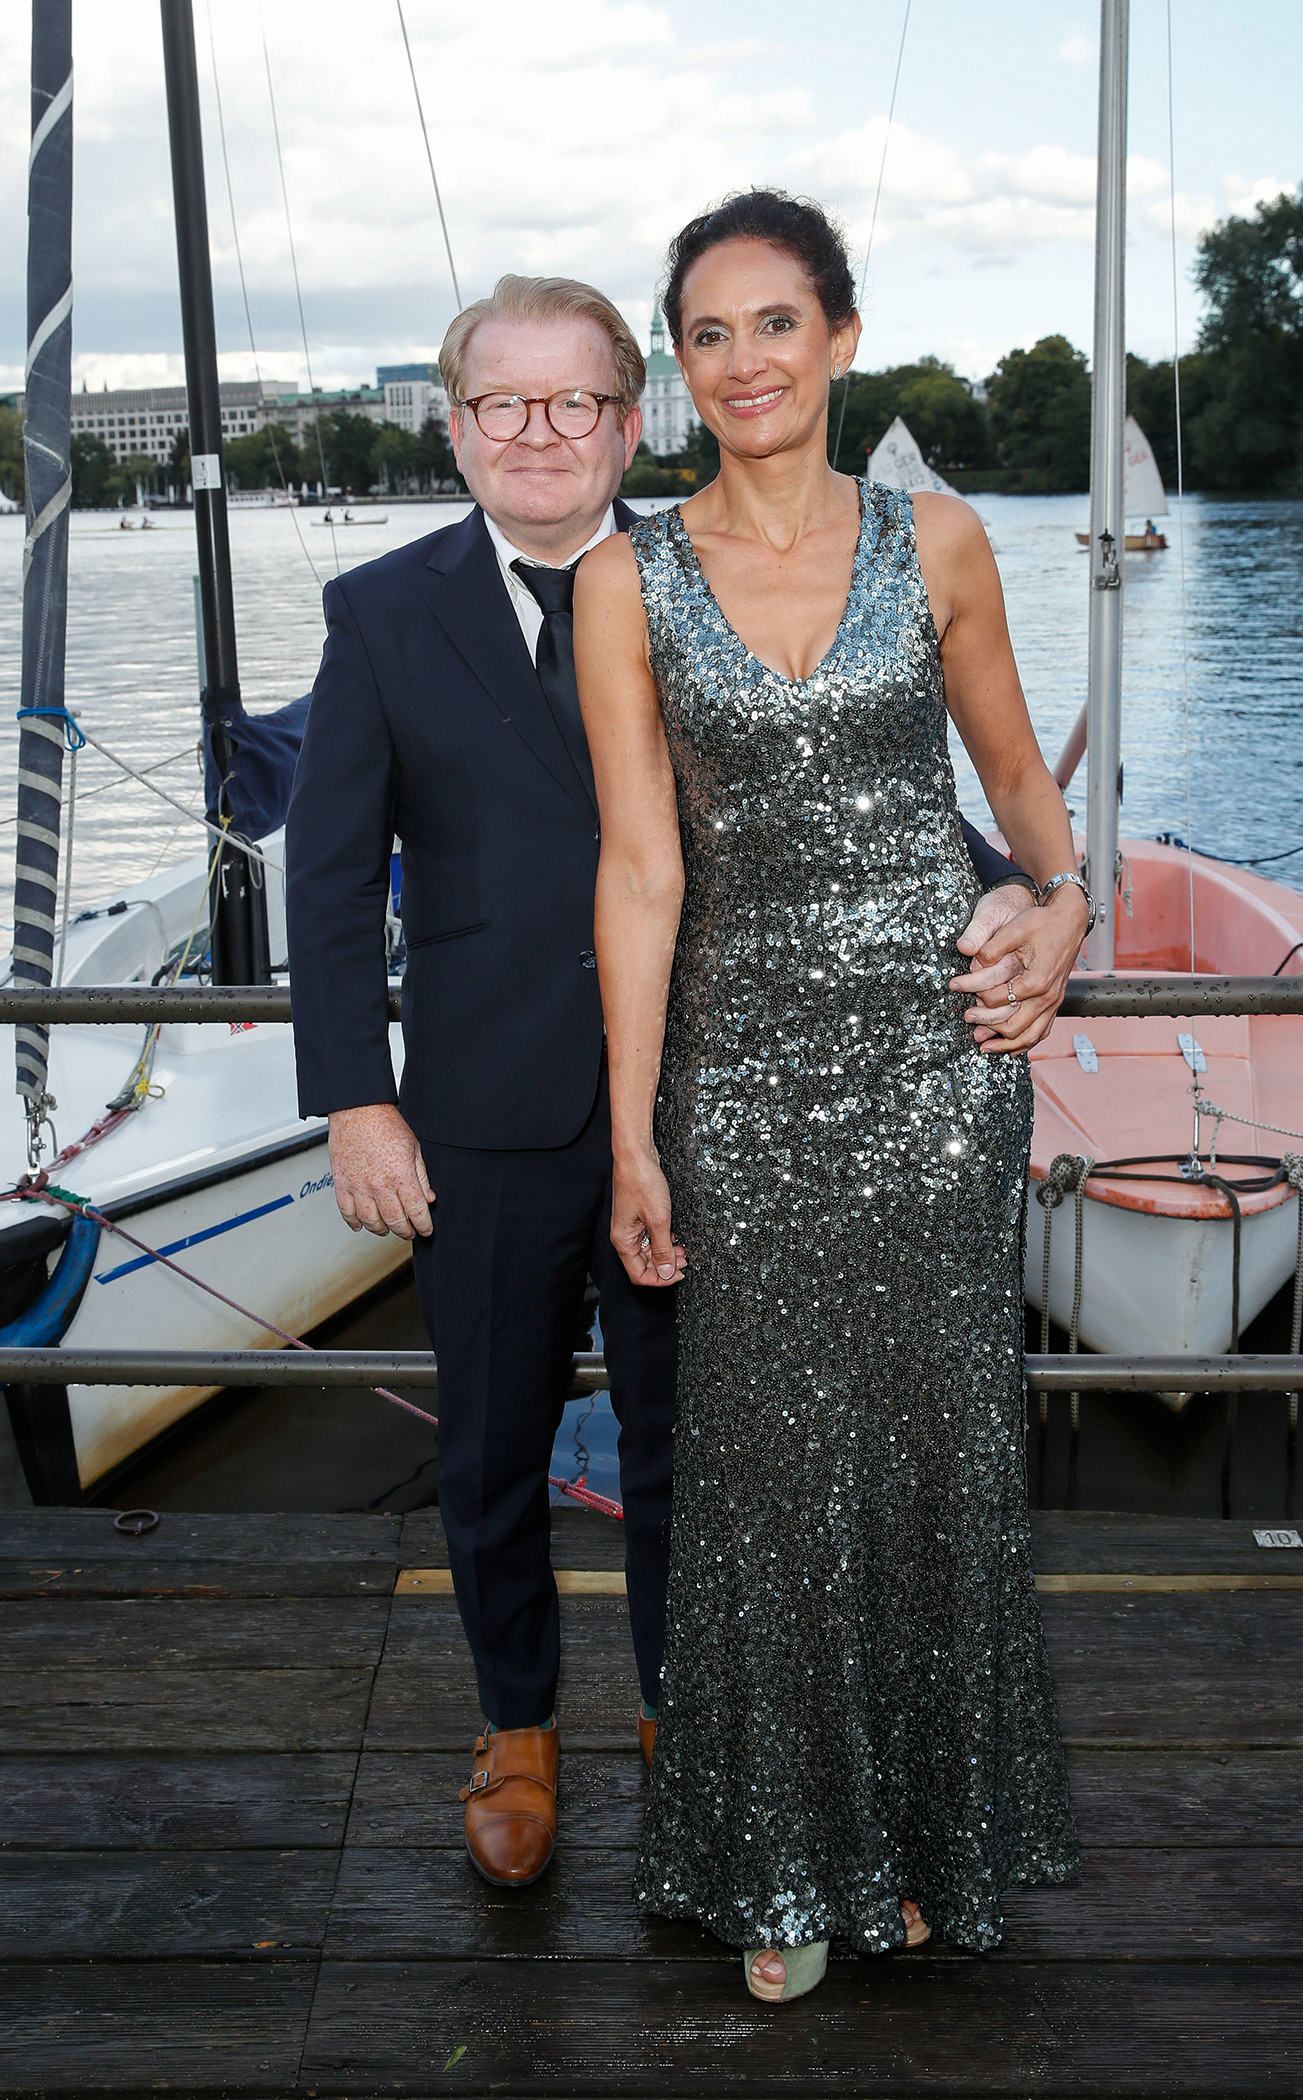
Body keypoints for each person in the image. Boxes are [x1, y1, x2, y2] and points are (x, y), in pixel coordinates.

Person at [286, 271, 1049, 1901]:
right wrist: (356, 1097)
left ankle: (689, 1718)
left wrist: (1020, 893)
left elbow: (843, 791)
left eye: (575, 401)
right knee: (490, 1446)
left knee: (694, 1450)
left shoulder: (696, 574)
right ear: (456, 428)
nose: (539, 432)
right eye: (504, 403)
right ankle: (517, 1728)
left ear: (631, 424)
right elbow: (331, 879)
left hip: (707, 1097)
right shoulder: (380, 614)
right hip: (482, 1109)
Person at [575, 193, 1084, 2004]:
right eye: (708, 334)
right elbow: (640, 873)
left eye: (776, 322)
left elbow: (1017, 782)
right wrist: (634, 1132)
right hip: (742, 1080)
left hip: (940, 1071)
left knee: (938, 1459)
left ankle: (933, 1839)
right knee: (766, 1476)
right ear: (680, 368)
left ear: (842, 338)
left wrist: (1064, 903)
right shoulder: (623, 581)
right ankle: (781, 1863)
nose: (746, 362)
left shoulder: (939, 540)